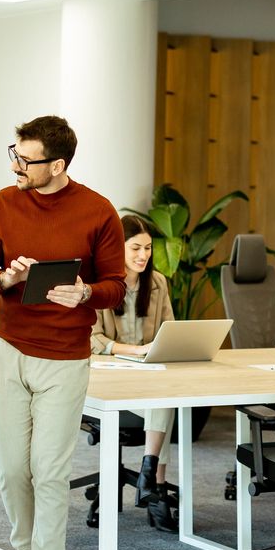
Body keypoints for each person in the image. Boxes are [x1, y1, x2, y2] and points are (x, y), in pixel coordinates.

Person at [0, 115, 126, 550]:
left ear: (57, 165)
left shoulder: (98, 211)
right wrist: (6, 277)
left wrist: (85, 292)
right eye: (12, 152)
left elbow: (116, 285)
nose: (15, 164)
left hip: (64, 355)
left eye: (25, 158)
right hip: (8, 346)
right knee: (12, 465)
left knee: (50, 470)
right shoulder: (4, 202)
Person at [90, 214, 178, 531]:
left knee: (164, 398)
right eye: (136, 248)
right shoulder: (99, 283)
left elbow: (169, 330)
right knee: (163, 403)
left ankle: (149, 474)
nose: (144, 255)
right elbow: (92, 338)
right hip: (109, 380)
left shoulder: (157, 283)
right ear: (118, 249)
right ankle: (155, 485)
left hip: (148, 378)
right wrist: (130, 351)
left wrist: (157, 350)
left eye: (148, 248)